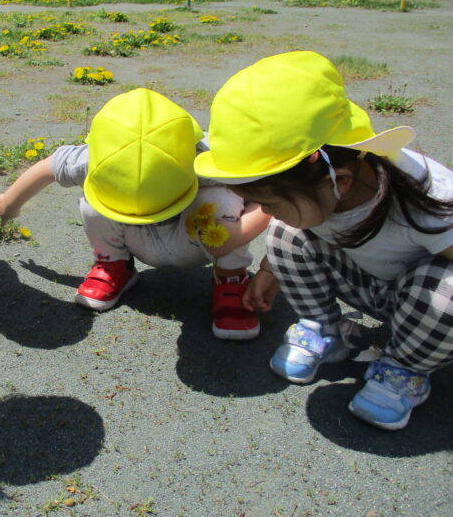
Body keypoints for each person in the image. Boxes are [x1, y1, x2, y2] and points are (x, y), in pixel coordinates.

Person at [194, 50, 453, 430]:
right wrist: (270, 268)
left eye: (269, 202)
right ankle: (324, 329)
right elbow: (294, 221)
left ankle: (404, 367)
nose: (262, 211)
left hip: (422, 304)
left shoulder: (428, 199)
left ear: (339, 180)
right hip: (371, 282)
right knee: (288, 229)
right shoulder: (323, 191)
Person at [0, 88, 270, 339]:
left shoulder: (209, 157)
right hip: (135, 235)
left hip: (196, 236)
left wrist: (257, 217)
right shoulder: (102, 157)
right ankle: (113, 263)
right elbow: (49, 168)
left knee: (220, 198)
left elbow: (268, 189)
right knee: (94, 198)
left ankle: (231, 277)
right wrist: (10, 202)